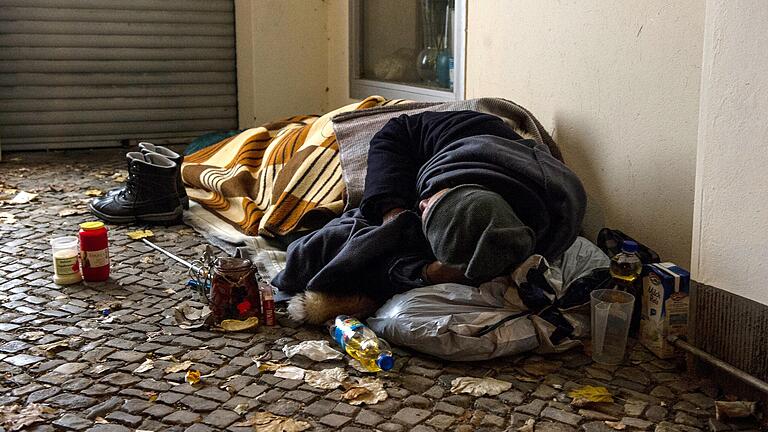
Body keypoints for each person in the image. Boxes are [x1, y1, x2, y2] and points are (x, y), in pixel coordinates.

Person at [271, 110, 587, 324]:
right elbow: (392, 133)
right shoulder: (467, 131)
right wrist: (392, 209)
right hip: (416, 137)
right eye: (430, 204)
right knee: (342, 224)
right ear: (452, 184)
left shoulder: (551, 222)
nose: (421, 207)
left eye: (425, 210)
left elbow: (485, 256)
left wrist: (427, 273)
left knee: (371, 248)